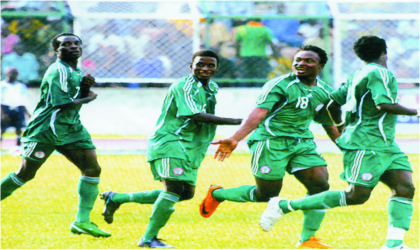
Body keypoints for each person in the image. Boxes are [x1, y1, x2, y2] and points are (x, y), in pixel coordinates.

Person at [259, 36, 418, 249]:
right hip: (367, 143)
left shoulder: (357, 75)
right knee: (356, 196)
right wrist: (415, 111)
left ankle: (394, 244)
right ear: (384, 52)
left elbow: (332, 103)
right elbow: (383, 105)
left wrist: (342, 126)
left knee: (404, 187)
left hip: (385, 144)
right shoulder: (380, 73)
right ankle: (285, 205)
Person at [202, 45, 342, 249]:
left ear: (320, 66)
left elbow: (328, 122)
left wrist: (346, 147)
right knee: (266, 195)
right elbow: (258, 113)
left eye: (308, 61)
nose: (301, 63)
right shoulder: (280, 84)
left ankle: (308, 239)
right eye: (298, 60)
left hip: (301, 143)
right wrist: (235, 138)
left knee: (320, 185)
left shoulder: (325, 91)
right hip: (270, 141)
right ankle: (217, 194)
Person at [100, 50, 243, 248]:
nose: (205, 68)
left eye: (210, 65)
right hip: (171, 141)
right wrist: (237, 122)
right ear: (190, 66)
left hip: (190, 145)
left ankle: (116, 198)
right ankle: (148, 238)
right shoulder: (184, 86)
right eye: (200, 64)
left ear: (217, 68)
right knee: (173, 188)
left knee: (185, 193)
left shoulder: (212, 87)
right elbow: (194, 114)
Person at [0, 33, 111, 238]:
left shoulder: (75, 70)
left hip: (71, 128)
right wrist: (88, 98)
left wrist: (85, 88)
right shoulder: (57, 70)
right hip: (46, 130)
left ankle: (82, 221)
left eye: (76, 43)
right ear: (56, 51)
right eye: (66, 45)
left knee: (92, 169)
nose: (73, 47)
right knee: (25, 174)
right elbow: (60, 103)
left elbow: (73, 98)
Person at [1, 67, 31, 147]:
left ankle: (18, 145)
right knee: (2, 128)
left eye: (14, 73)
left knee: (19, 127)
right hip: (5, 108)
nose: (12, 75)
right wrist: (2, 113)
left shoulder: (21, 86)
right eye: (11, 73)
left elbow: (23, 100)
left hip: (18, 108)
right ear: (7, 74)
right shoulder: (2, 85)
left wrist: (27, 112)